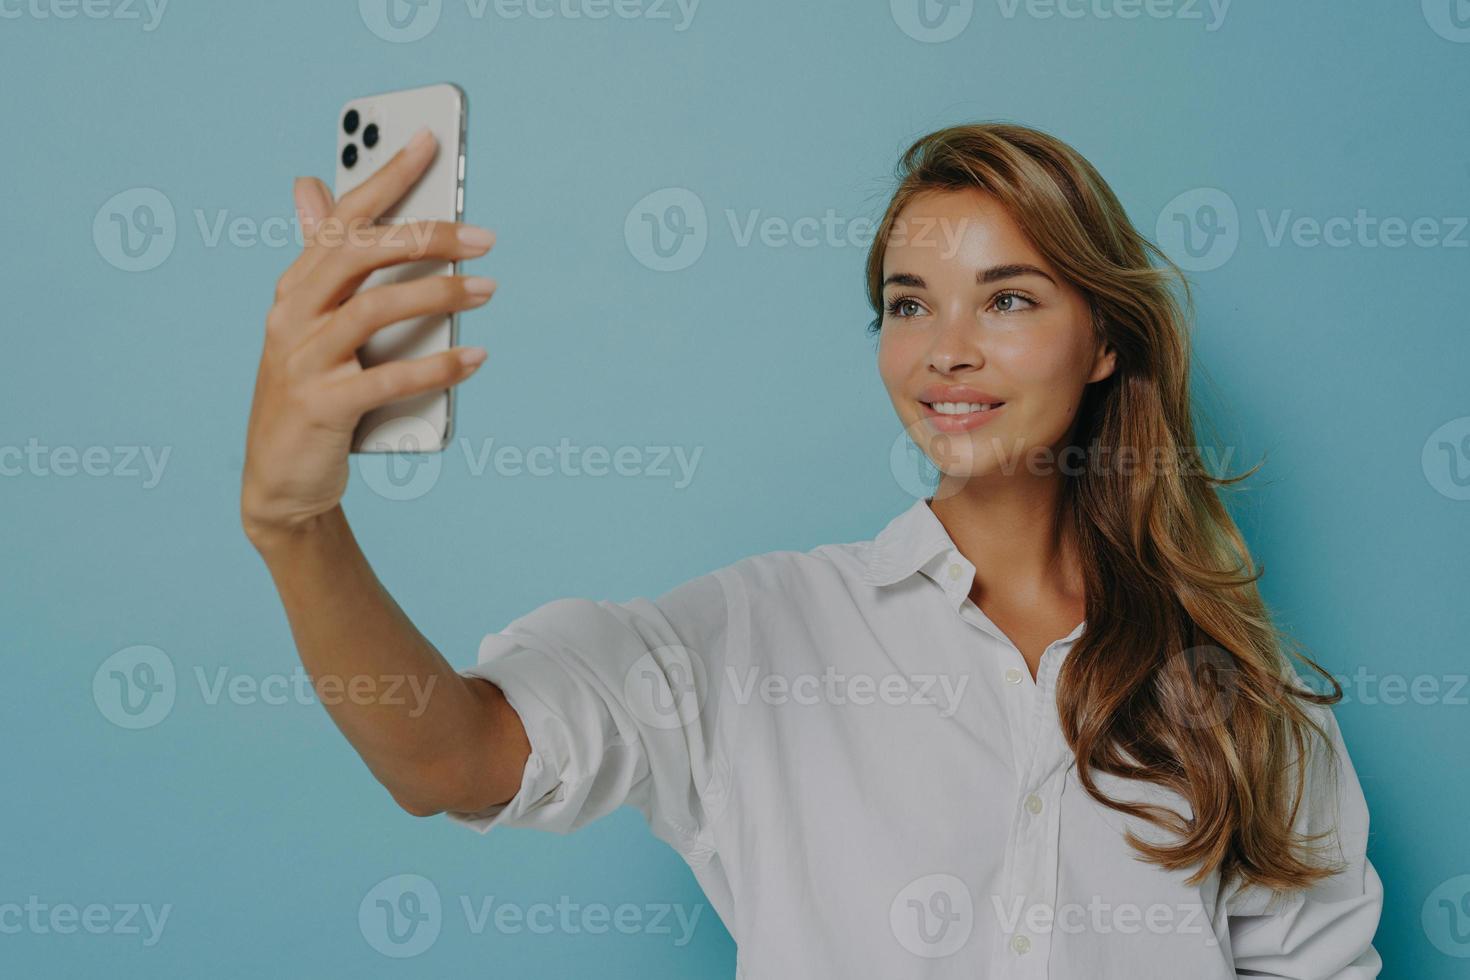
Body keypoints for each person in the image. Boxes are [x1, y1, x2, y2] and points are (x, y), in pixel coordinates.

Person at [240, 121, 1383, 978]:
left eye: (1008, 299)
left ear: (1102, 343)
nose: (947, 351)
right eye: (906, 304)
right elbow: (450, 758)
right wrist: (295, 527)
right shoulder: (756, 635)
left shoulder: (1249, 702)